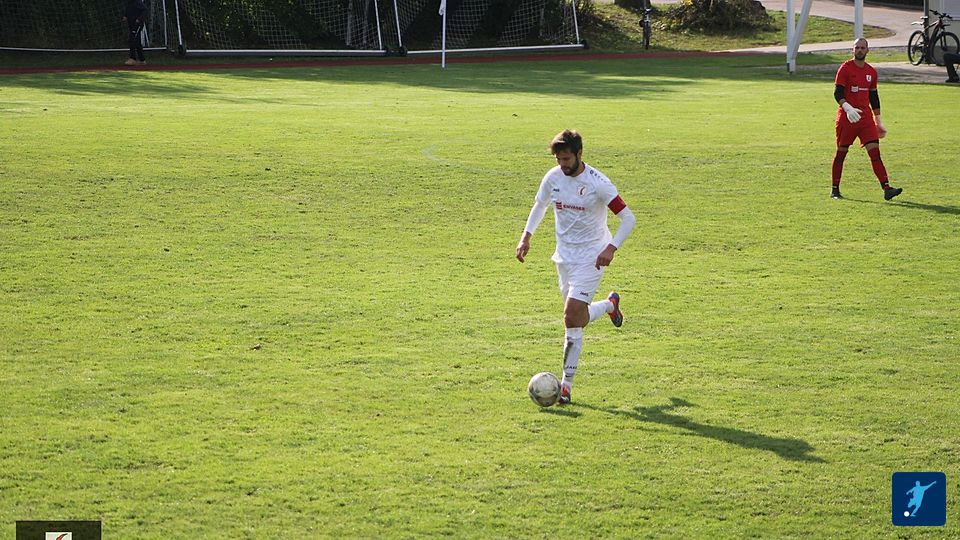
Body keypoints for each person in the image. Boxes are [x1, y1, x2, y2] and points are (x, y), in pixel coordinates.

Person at [515, 129, 636, 405]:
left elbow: (628, 219)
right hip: (564, 257)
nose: (562, 164)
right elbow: (540, 205)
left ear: (580, 154)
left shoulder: (599, 183)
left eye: (567, 159)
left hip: (592, 257)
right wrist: (526, 237)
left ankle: (566, 387)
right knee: (578, 317)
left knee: (570, 316)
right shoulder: (553, 178)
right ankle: (609, 306)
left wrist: (611, 248)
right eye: (558, 159)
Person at [831, 38, 902, 201]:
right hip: (847, 118)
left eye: (863, 48)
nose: (860, 50)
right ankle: (835, 189)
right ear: (853, 50)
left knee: (875, 153)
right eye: (857, 47)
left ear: (867, 50)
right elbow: (837, 93)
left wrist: (879, 121)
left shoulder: (871, 72)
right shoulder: (845, 68)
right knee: (841, 153)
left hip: (865, 120)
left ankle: (887, 188)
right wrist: (848, 108)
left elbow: (874, 97)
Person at [122, 0, 148, 66]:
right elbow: (128, 11)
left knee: (132, 39)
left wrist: (139, 19)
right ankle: (142, 60)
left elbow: (145, 10)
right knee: (137, 41)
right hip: (131, 24)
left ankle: (133, 58)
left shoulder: (137, 2)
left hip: (137, 25)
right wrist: (125, 16)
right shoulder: (128, 3)